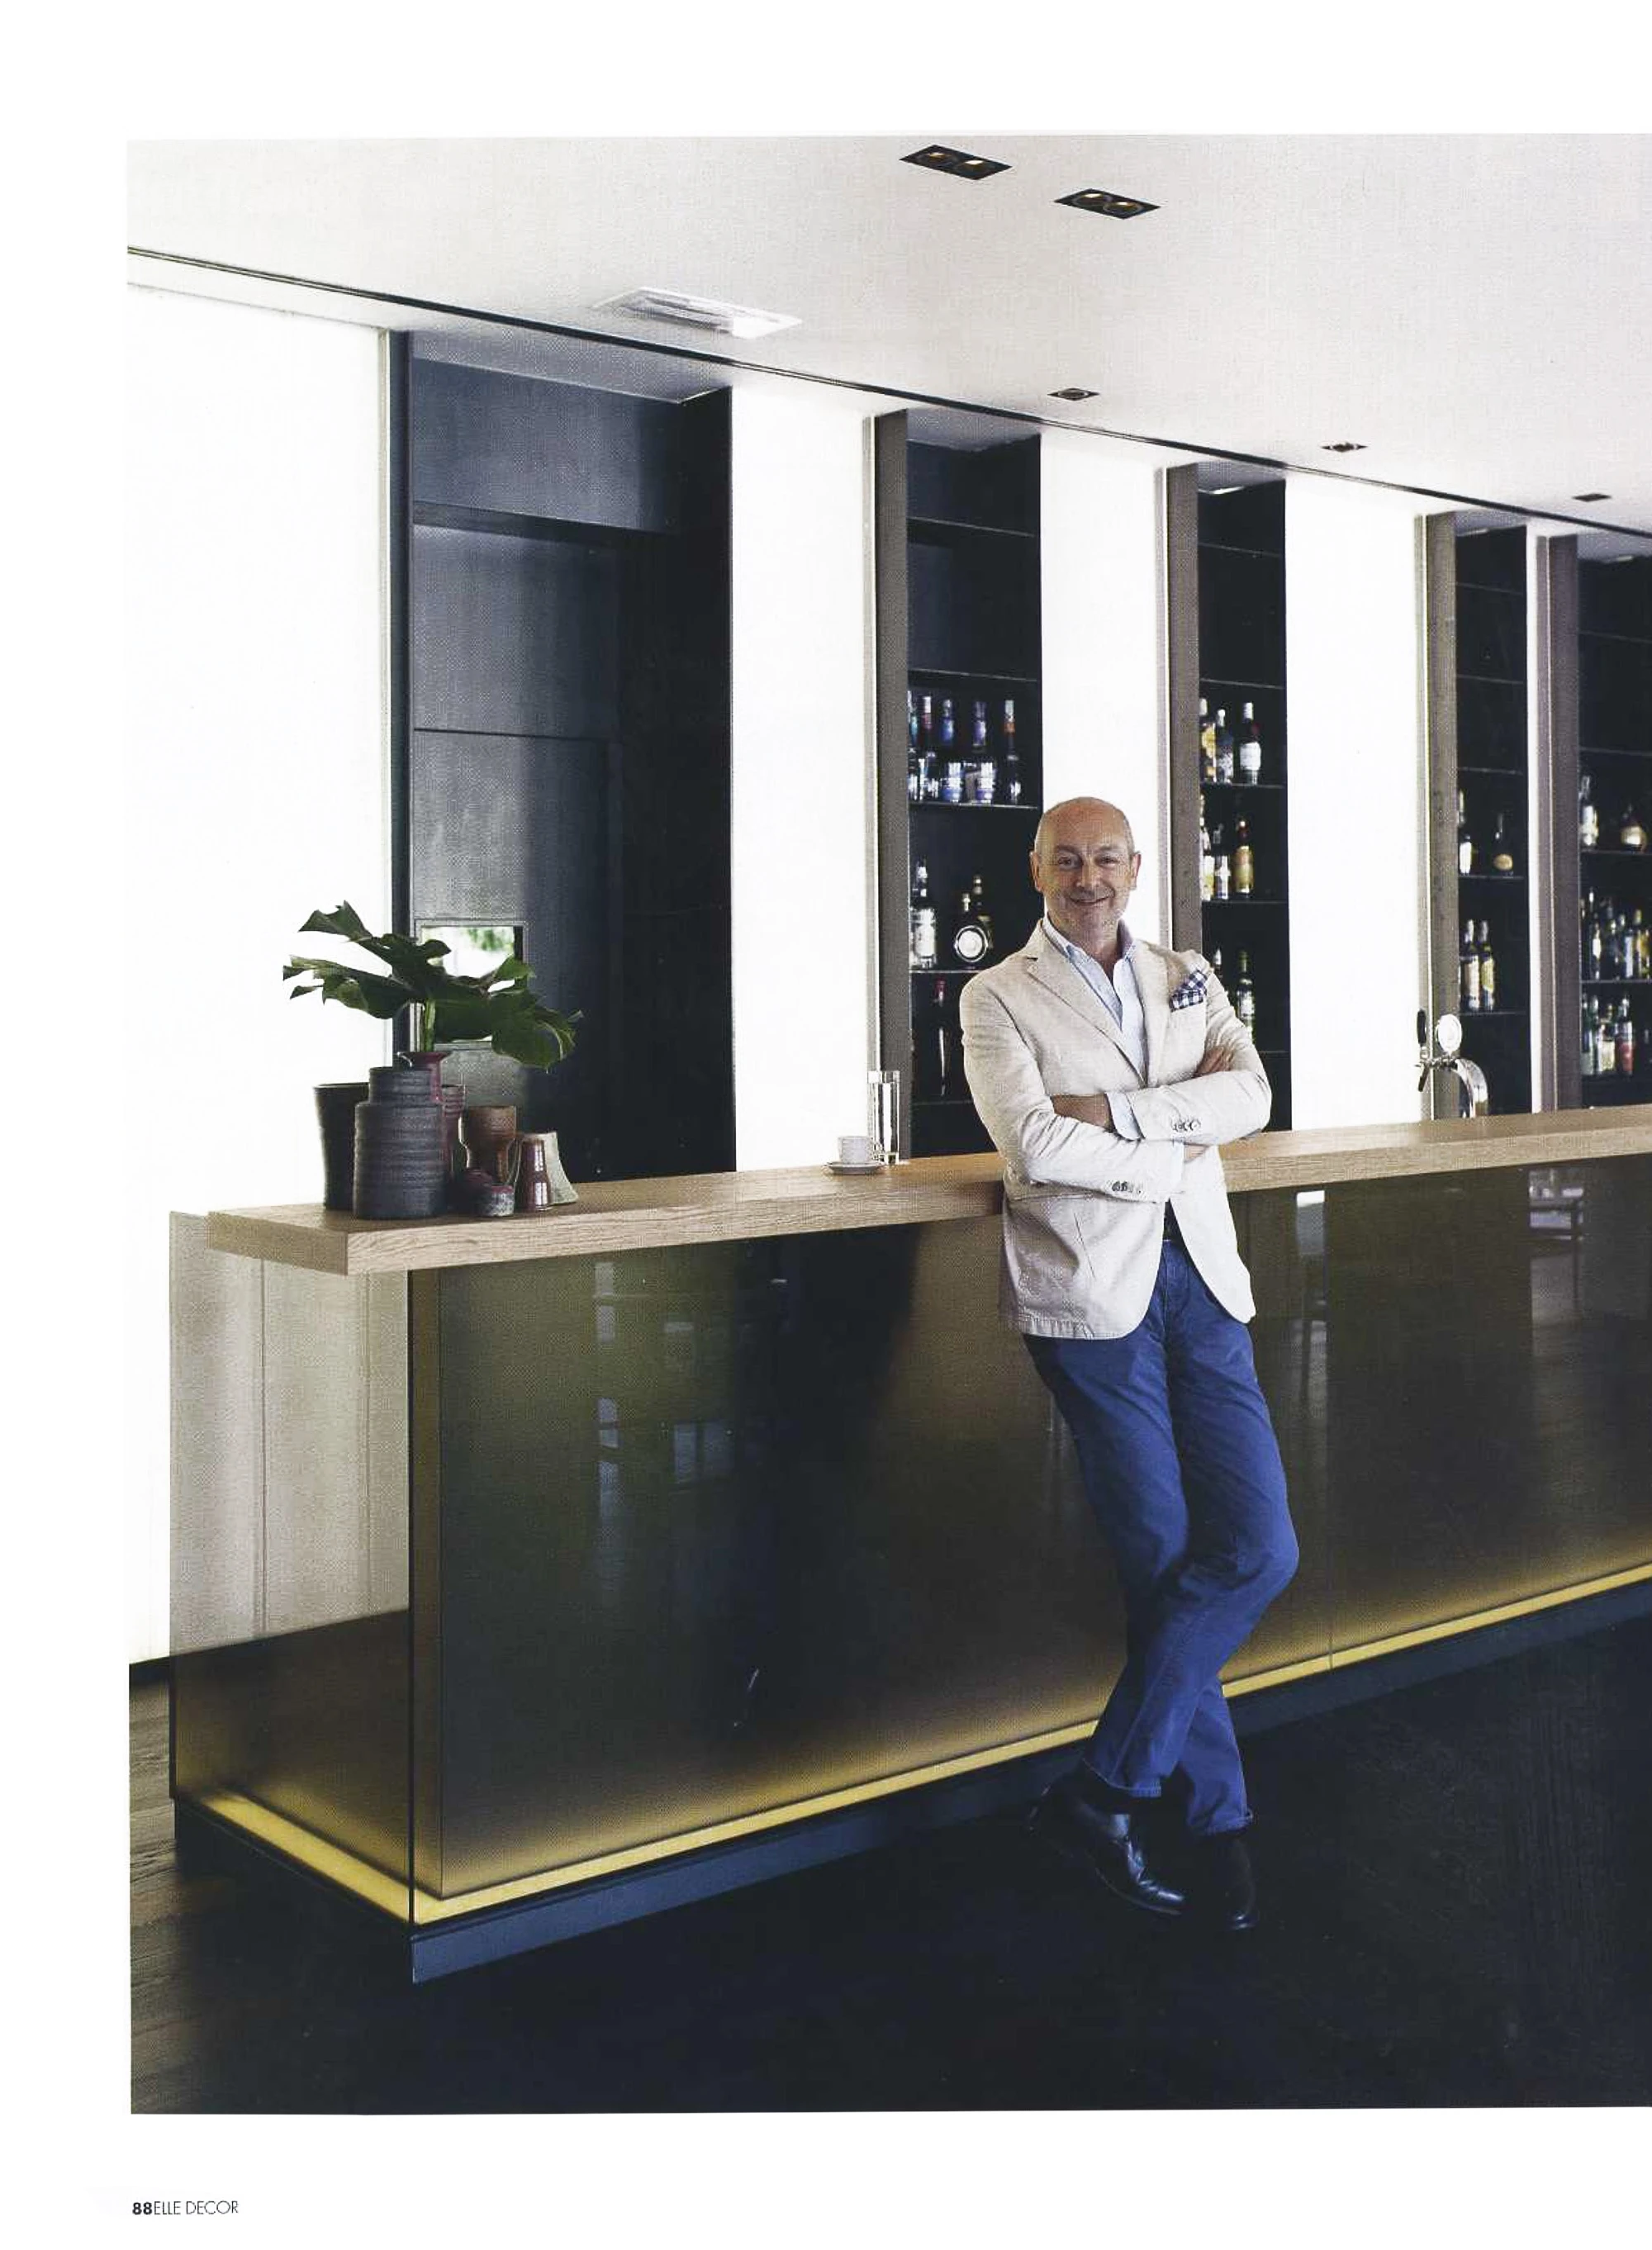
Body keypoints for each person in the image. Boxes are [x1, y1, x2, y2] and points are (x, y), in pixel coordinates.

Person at [959, 796, 1298, 1933]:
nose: (1088, 876)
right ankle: (1218, 1820)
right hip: (1093, 1300)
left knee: (1260, 1547)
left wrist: (1112, 1110)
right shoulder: (996, 995)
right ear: (1037, 870)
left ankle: (1101, 1794)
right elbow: (1031, 1143)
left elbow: (1251, 1095)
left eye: (1106, 857)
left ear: (1137, 867)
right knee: (1163, 1560)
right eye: (1068, 859)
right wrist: (1172, 1144)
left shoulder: (1184, 973)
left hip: (1204, 1284)